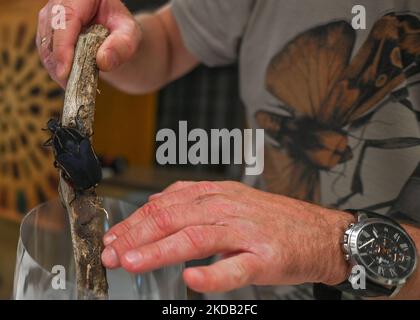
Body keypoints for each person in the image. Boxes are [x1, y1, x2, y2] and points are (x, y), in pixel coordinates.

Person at [37, 0, 420, 299]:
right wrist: (116, 34)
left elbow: (322, 240)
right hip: (239, 289)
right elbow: (168, 43)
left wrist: (327, 242)